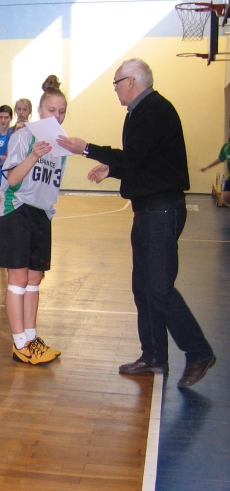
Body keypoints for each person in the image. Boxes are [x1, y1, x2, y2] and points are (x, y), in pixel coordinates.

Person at [58, 58, 216, 387]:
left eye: (116, 83)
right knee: (143, 287)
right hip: (148, 210)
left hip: (161, 210)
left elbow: (134, 157)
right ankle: (154, 356)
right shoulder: (142, 112)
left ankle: (199, 352)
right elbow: (144, 161)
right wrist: (112, 169)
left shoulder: (154, 110)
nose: (115, 89)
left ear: (131, 82)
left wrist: (87, 149)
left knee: (158, 287)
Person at [0, 75, 68, 365]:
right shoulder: (24, 136)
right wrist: (34, 156)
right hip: (18, 209)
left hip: (41, 213)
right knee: (19, 278)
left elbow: (51, 184)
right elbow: (12, 178)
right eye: (52, 110)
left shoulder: (61, 146)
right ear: (40, 110)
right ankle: (19, 342)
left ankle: (32, 337)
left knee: (35, 277)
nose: (57, 116)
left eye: (62, 111)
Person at [200, 124, 230, 204]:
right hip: (229, 177)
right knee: (226, 197)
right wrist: (207, 167)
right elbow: (220, 159)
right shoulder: (226, 147)